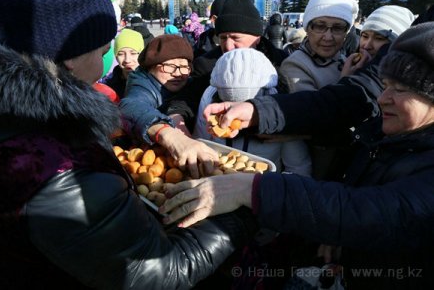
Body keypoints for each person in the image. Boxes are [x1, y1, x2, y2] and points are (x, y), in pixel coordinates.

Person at [0, 0, 257, 288]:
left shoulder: (13, 119)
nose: (105, 66)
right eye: (103, 53)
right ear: (70, 58)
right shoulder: (59, 166)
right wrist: (246, 204)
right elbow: (158, 272)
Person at [161, 22, 434, 289]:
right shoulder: (390, 133)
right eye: (386, 85)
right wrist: (258, 112)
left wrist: (253, 189)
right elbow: (343, 100)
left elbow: (371, 211)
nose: (383, 98)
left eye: (400, 90)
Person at [162, 0, 287, 132]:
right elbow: (185, 100)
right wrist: (177, 119)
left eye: (235, 38)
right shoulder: (206, 65)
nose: (228, 46)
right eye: (223, 38)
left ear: (257, 37)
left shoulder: (280, 62)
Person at [279, 0, 359, 179]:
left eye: (337, 28)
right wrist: (346, 82)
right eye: (320, 26)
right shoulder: (296, 64)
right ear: (307, 28)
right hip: (317, 164)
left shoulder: (345, 59)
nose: (328, 37)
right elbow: (314, 119)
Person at [119, 35, 219, 178]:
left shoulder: (189, 83)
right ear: (150, 67)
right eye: (170, 66)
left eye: (184, 67)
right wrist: (172, 136)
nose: (178, 73)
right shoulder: (142, 85)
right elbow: (130, 106)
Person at [194, 48, 300, 173]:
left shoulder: (279, 106)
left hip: (266, 181)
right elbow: (202, 139)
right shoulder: (209, 96)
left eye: (247, 102)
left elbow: (297, 164)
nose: (235, 111)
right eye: (228, 101)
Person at [101, 28, 144, 99]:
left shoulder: (151, 83)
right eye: (121, 54)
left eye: (133, 53)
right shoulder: (108, 86)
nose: (127, 60)